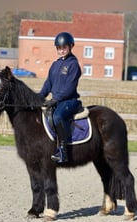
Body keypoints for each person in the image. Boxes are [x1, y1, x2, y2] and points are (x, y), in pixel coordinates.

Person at [40, 32, 82, 163]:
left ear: (71, 46)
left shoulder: (73, 64)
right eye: (59, 48)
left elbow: (69, 88)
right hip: (57, 100)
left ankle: (63, 152)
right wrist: (39, 96)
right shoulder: (55, 65)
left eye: (64, 47)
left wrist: (55, 99)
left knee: (57, 116)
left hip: (69, 101)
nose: (61, 50)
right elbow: (48, 83)